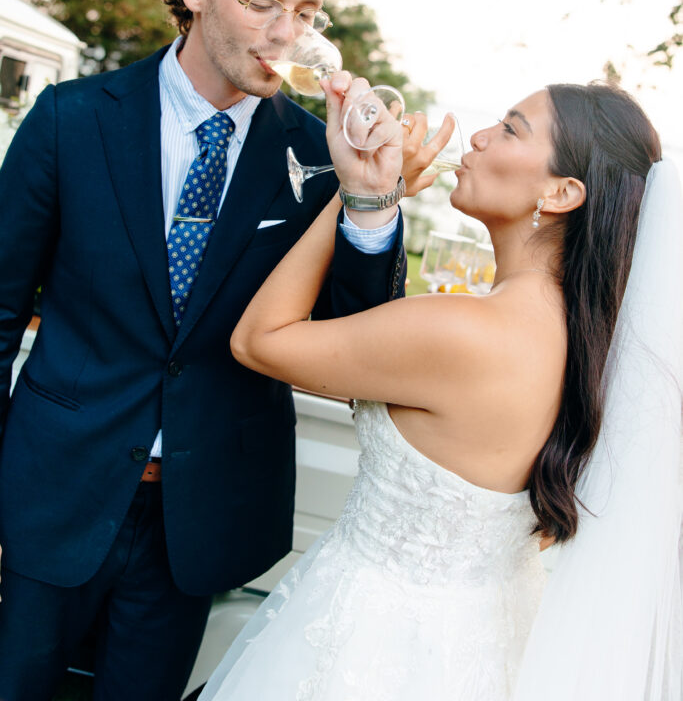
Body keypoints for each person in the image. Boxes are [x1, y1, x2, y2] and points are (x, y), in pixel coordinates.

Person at [0, 0, 408, 701]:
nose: (286, 33)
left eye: (305, 11)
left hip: (203, 519)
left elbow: (354, 341)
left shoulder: (320, 155)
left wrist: (368, 201)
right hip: (52, 493)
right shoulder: (69, 119)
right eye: (262, 3)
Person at [198, 76, 682, 701]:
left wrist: (355, 190)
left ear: (561, 192)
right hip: (481, 651)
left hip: (365, 649)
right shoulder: (592, 351)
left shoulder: (463, 331)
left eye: (509, 130)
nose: (477, 137)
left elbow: (258, 340)